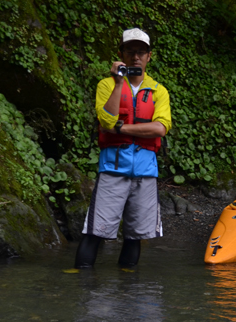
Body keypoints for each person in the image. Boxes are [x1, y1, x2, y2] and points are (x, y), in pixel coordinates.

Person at [74, 27, 172, 269]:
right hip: (112, 169)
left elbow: (160, 128)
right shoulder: (106, 85)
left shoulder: (159, 91)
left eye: (141, 52)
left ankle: (128, 289)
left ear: (149, 56)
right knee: (95, 230)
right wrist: (119, 83)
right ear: (121, 53)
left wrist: (121, 129)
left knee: (135, 234)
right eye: (130, 51)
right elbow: (106, 120)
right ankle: (81, 284)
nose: (135, 56)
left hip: (145, 171)